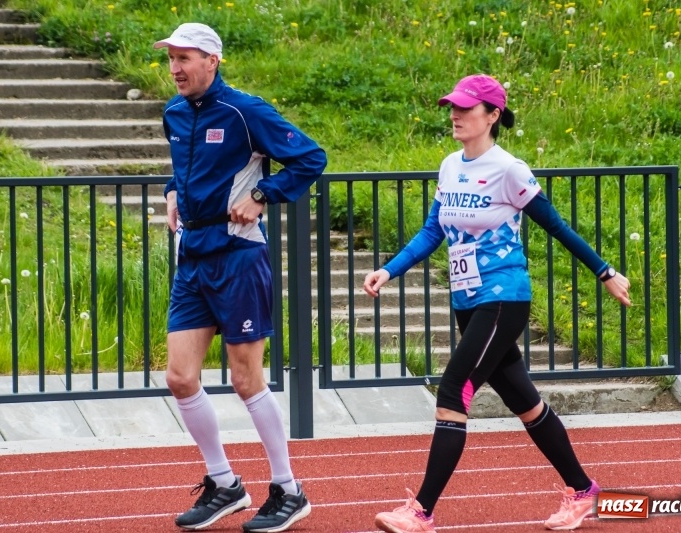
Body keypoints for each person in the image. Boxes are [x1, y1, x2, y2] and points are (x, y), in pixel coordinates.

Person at [363, 74, 631, 532]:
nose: (455, 115)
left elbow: (556, 225)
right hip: (467, 299)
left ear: (492, 116)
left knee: (452, 392)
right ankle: (584, 491)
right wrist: (390, 269)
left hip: (503, 297)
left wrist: (605, 271)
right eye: (452, 106)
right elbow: (434, 231)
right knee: (524, 402)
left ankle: (422, 512)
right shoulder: (450, 165)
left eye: (466, 109)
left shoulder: (509, 169)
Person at [153, 22, 327, 533]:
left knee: (245, 377)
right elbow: (185, 166)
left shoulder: (244, 111)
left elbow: (310, 158)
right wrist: (170, 191)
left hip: (239, 256)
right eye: (171, 59)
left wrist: (262, 195)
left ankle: (289, 490)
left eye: (184, 58)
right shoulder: (174, 113)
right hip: (193, 257)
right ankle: (225, 483)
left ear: (212, 60)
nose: (175, 69)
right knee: (180, 377)